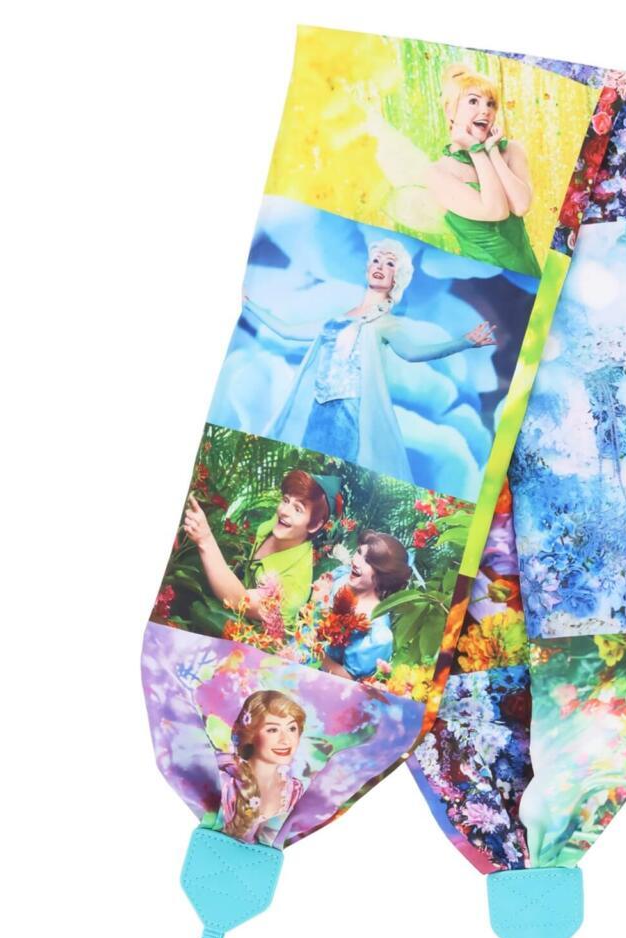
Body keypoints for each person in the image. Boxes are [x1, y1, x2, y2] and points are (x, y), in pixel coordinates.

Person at [239, 237, 496, 484]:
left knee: (331, 477)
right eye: (376, 260)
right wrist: (248, 304)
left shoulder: (386, 323)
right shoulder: (338, 318)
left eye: (390, 263)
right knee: (303, 473)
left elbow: (412, 353)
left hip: (349, 411)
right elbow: (287, 331)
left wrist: (464, 343)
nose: (380, 266)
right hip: (319, 408)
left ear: (397, 277)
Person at [182, 471, 342, 631]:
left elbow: (240, 601)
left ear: (315, 525)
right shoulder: (282, 523)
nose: (284, 511)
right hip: (232, 592)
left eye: (298, 509)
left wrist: (205, 539)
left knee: (196, 610)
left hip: (248, 635)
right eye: (286, 500)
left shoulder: (295, 586)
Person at [424, 63, 542, 276]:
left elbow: (521, 206)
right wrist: (476, 150)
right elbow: (495, 211)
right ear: (450, 111)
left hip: (528, 273)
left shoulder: (512, 151)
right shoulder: (438, 173)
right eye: (473, 101)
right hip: (485, 284)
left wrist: (492, 151)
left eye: (491, 104)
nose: (485, 110)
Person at [314, 531, 413, 680]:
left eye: (368, 561)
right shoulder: (341, 576)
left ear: (383, 576)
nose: (357, 561)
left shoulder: (377, 631)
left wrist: (314, 650)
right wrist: (318, 599)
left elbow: (348, 680)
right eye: (359, 552)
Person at [216, 690, 308, 844]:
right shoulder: (227, 782)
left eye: (292, 728)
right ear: (251, 735)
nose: (285, 740)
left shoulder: (294, 790)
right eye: (272, 730)